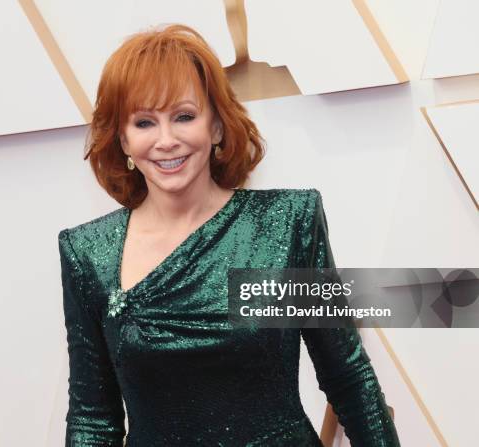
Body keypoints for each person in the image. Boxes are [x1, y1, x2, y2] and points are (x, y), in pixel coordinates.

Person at [58, 23, 400, 447]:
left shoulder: (284, 224)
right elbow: (94, 419)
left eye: (184, 116)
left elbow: (347, 376)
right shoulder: (88, 253)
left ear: (217, 127)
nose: (166, 140)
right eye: (145, 122)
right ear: (123, 140)